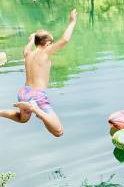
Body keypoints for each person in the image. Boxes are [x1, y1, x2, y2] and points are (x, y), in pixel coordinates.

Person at [0, 9, 77, 137]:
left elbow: (27, 47)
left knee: (22, 119)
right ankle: (34, 109)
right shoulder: (45, 52)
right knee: (59, 131)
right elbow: (65, 39)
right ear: (47, 43)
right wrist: (72, 22)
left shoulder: (28, 54)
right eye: (51, 44)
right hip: (35, 96)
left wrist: (31, 39)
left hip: (23, 93)